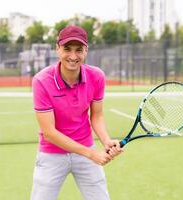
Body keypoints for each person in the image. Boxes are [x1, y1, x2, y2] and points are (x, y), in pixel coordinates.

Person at [30, 25, 122, 200]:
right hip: (51, 154)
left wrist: (106, 140)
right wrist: (91, 154)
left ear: (86, 51)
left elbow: (97, 115)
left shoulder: (97, 77)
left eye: (78, 50)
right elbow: (49, 133)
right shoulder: (41, 81)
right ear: (57, 49)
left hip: (86, 148)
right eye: (67, 49)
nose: (73, 56)